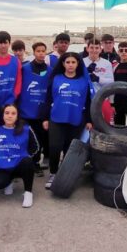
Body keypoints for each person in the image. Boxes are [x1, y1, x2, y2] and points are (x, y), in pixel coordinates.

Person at [43, 53, 93, 190]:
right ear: (63, 64)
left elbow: (89, 101)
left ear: (78, 64)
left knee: (68, 149)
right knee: (54, 147)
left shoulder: (84, 80)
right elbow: (48, 99)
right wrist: (45, 118)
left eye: (73, 62)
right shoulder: (55, 78)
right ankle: (53, 173)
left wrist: (89, 120)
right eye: (67, 62)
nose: (70, 65)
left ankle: (64, 175)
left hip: (76, 118)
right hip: (56, 118)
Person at [0, 105, 39, 208]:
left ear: (17, 116)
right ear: (2, 115)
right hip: (3, 166)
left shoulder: (25, 128)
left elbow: (35, 146)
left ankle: (28, 193)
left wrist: (26, 156)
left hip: (20, 164)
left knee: (27, 162)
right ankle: (9, 181)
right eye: (7, 113)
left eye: (13, 113)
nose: (9, 116)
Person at [18, 42, 51, 175]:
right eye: (38, 51)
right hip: (26, 111)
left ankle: (36, 163)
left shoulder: (50, 70)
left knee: (39, 139)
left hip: (41, 112)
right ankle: (24, 164)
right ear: (33, 52)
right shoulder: (25, 68)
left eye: (43, 51)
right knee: (25, 139)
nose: (41, 53)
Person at [0, 30, 22, 124]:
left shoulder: (16, 61)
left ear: (9, 43)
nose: (3, 45)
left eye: (5, 42)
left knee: (9, 130)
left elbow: (18, 82)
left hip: (10, 104)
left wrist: (12, 99)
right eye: (0, 43)